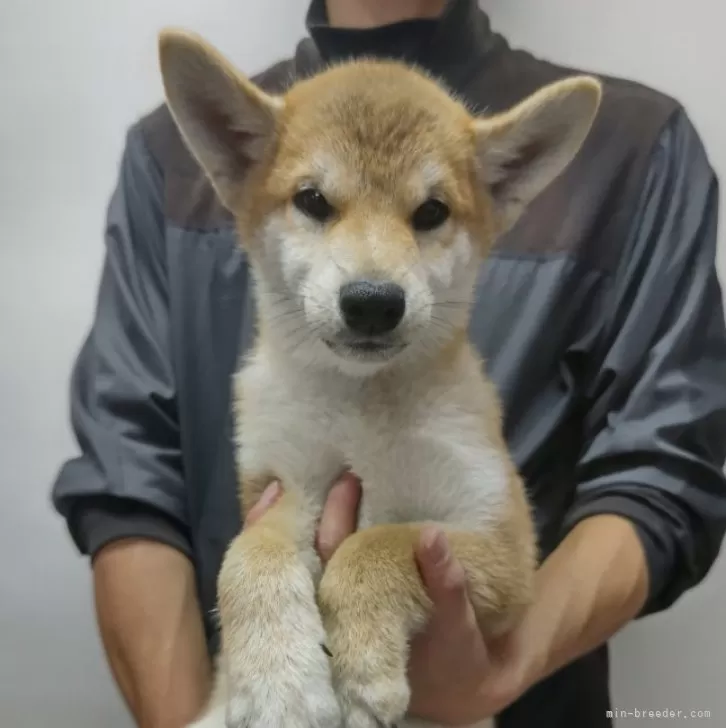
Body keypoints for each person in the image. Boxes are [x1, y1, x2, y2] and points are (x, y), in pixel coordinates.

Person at [51, 0, 726, 726]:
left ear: (504, 188)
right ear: (233, 153)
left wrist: (487, 675)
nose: (372, 279)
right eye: (316, 201)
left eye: (427, 214)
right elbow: (129, 488)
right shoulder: (166, 157)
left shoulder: (636, 144)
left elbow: (662, 479)